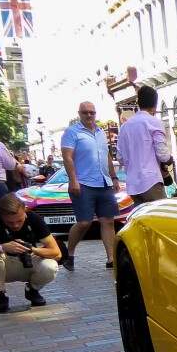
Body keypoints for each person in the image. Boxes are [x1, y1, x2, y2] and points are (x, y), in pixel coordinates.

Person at [0, 193, 60, 314]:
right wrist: (3, 247)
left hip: (27, 264)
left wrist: (33, 250)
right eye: (9, 222)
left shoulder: (34, 219)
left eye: (19, 220)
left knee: (51, 266)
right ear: (1, 216)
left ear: (24, 210)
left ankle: (32, 290)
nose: (15, 225)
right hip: (4, 267)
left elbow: (57, 253)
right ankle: (1, 295)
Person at [61, 100, 120, 272]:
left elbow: (106, 156)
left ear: (95, 114)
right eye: (85, 112)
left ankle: (111, 259)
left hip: (104, 182)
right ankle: (69, 253)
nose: (89, 116)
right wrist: (73, 180)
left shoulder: (101, 132)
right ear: (79, 114)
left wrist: (114, 177)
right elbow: (68, 157)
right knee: (84, 223)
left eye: (92, 113)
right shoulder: (72, 133)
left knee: (108, 221)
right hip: (83, 183)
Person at [117, 85, 173, 206]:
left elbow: (120, 157)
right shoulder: (154, 123)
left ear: (138, 102)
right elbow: (163, 155)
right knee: (160, 218)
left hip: (133, 185)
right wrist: (169, 159)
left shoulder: (125, 126)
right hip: (150, 181)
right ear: (155, 104)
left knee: (143, 220)